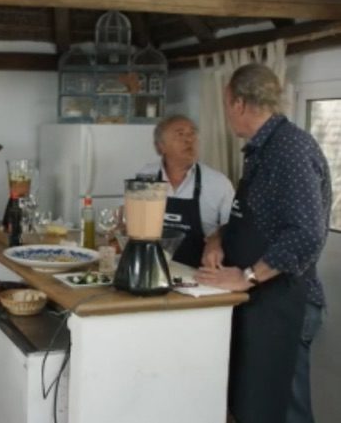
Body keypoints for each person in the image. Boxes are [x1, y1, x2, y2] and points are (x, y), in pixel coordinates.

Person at [196, 63, 331, 423]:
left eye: (226, 106)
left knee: (286, 412)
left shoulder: (289, 151)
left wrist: (247, 277)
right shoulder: (263, 149)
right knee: (258, 410)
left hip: (285, 303)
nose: (227, 115)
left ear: (239, 103)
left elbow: (306, 234)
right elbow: (259, 218)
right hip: (263, 305)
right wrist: (219, 238)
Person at [137, 114, 234, 267]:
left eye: (192, 133)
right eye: (180, 134)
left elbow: (234, 227)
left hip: (198, 274)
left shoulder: (218, 183)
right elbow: (135, 221)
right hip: (152, 266)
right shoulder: (145, 176)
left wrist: (216, 239)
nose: (189, 139)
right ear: (160, 146)